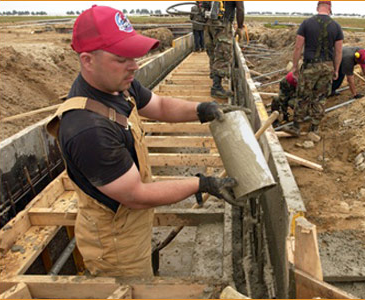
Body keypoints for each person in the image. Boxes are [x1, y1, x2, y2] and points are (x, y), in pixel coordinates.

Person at [46, 5, 243, 278]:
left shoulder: (118, 85)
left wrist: (201, 110)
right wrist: (201, 183)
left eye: (134, 55)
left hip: (131, 223)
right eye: (121, 58)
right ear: (88, 61)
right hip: (116, 245)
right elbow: (136, 196)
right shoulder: (88, 130)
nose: (134, 66)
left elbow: (159, 105)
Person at [285, 1, 343, 136]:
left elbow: (298, 47)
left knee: (303, 96)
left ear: (318, 8)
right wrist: (336, 69)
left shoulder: (306, 23)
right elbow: (338, 51)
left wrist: (294, 66)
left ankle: (296, 126)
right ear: (330, 9)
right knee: (320, 97)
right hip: (327, 66)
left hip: (310, 65)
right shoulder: (336, 26)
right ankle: (314, 127)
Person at [203, 1, 245, 99]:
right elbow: (240, 8)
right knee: (223, 54)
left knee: (213, 52)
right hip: (222, 24)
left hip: (208, 24)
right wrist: (239, 27)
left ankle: (215, 78)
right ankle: (216, 87)